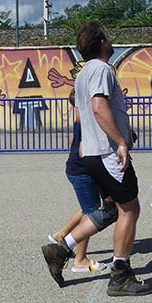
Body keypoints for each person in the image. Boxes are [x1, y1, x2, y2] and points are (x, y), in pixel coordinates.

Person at [42, 21, 152, 297]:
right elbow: (98, 107)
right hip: (107, 153)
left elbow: (87, 115)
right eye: (108, 37)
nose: (111, 40)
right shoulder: (102, 69)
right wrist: (120, 141)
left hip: (93, 153)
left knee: (111, 210)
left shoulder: (83, 74)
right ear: (102, 42)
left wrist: (123, 131)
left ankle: (61, 248)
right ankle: (120, 276)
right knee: (130, 210)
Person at [46, 89, 108, 273]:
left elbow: (74, 141)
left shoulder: (81, 119)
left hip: (77, 169)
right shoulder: (89, 120)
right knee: (90, 213)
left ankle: (60, 235)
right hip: (81, 171)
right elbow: (82, 148)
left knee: (88, 207)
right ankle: (80, 260)